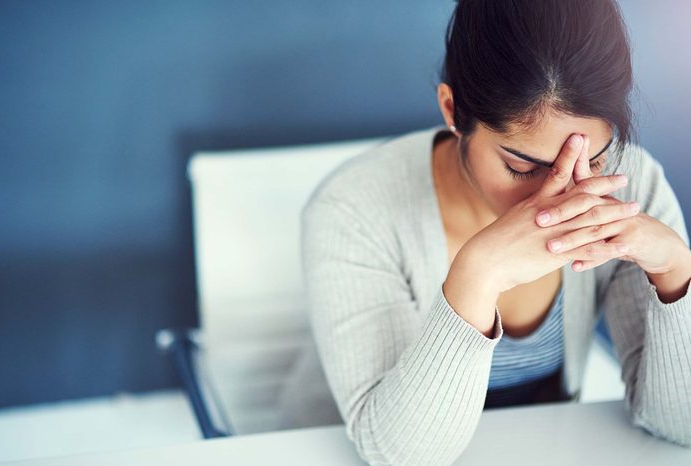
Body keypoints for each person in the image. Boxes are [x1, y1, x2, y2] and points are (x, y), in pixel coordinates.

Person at [277, 1, 691, 464]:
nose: (562, 192)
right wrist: (477, 276)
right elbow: (401, 454)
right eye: (520, 166)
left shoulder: (632, 185)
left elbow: (680, 426)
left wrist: (677, 272)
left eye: (592, 159)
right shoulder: (352, 209)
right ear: (453, 111)